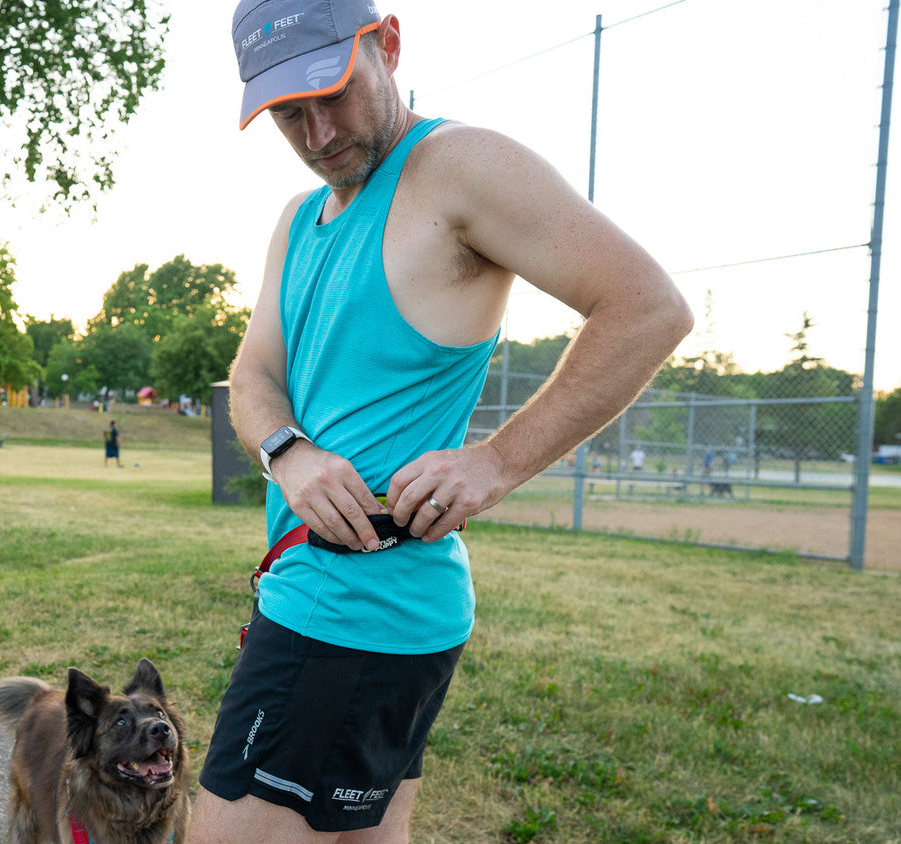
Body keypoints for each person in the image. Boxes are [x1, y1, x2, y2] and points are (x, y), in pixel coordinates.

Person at [189, 2, 693, 842]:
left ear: (387, 44)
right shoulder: (298, 220)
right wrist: (290, 452)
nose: (317, 133)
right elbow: (254, 373)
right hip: (323, 595)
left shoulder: (456, 167)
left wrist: (496, 462)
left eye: (333, 92)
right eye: (287, 113)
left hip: (353, 610)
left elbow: (648, 308)